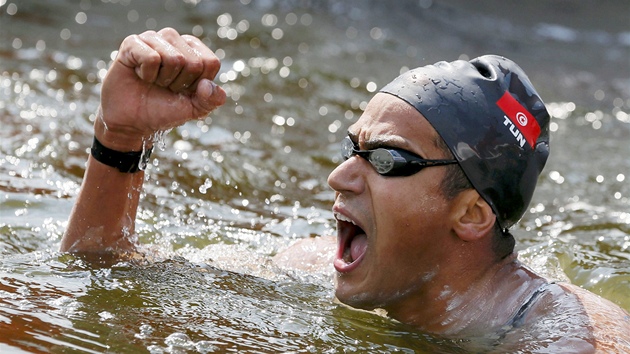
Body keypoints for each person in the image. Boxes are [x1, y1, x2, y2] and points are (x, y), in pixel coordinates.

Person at [61, 28, 630, 351]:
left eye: (384, 158)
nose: (339, 176)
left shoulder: (565, 339)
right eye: (352, 147)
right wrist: (121, 135)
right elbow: (103, 272)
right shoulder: (311, 267)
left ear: (471, 213)